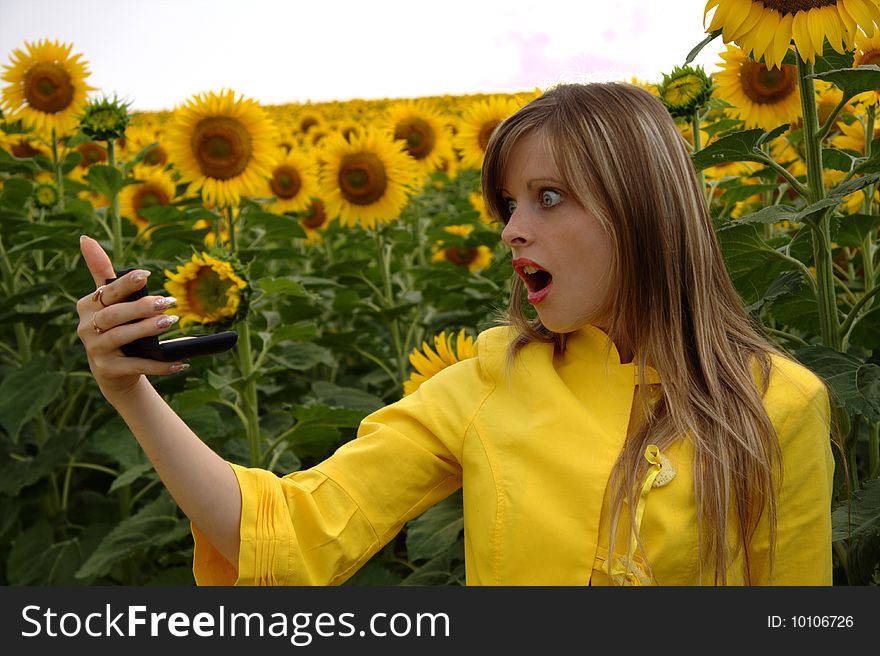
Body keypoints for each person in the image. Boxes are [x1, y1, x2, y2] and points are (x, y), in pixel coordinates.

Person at [76, 82, 834, 586]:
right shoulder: (486, 383)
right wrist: (131, 392)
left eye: (548, 197)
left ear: (643, 209)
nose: (513, 231)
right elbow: (288, 533)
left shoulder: (780, 405)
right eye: (508, 203)